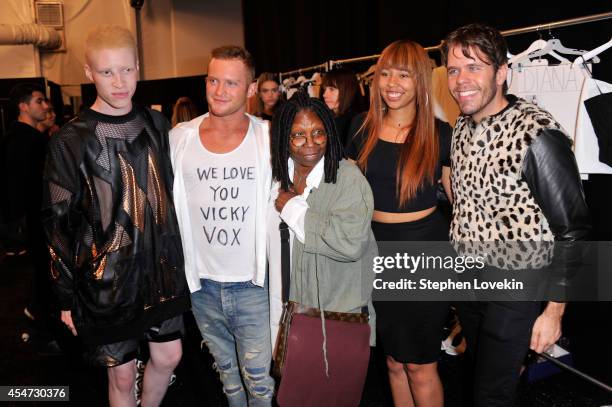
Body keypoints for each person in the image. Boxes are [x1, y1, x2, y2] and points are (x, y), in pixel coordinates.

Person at [441, 23, 590, 406]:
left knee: (490, 394)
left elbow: (573, 232)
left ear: (502, 72)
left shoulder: (537, 135)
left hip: (515, 285)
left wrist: (554, 313)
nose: (461, 80)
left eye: (474, 67)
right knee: (492, 382)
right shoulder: (460, 126)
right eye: (454, 70)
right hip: (469, 280)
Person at [42, 24, 190, 407]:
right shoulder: (69, 140)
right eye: (107, 72)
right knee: (122, 375)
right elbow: (58, 223)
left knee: (169, 356)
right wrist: (64, 296)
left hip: (161, 271)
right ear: (89, 74)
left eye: (126, 69)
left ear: (138, 67)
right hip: (106, 281)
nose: (119, 81)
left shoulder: (157, 124)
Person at [346, 40, 453, 407]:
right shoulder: (360, 127)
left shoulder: (440, 134)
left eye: (404, 74)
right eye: (386, 73)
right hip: (374, 253)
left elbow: (462, 205)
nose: (392, 82)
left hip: (425, 253)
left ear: (420, 80)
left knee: (420, 365)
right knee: (392, 361)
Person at [169, 45, 275, 406]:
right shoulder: (180, 138)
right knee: (228, 380)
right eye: (214, 80)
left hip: (254, 286)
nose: (219, 91)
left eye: (231, 83)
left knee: (259, 383)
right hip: (201, 286)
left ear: (250, 88)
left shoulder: (269, 138)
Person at [268, 91, 377, 406]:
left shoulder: (347, 179)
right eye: (298, 135)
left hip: (336, 320)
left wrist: (294, 209)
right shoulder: (279, 176)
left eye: (318, 132)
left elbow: (349, 242)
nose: (310, 143)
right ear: (284, 139)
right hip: (293, 313)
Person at [0, 83, 60, 352]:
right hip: (36, 221)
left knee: (45, 273)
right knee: (47, 273)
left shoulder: (23, 138)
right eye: (39, 101)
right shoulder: (26, 141)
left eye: (45, 101)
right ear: (23, 107)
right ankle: (45, 327)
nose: (45, 106)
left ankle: (39, 315)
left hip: (35, 221)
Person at [321, 68, 359, 146]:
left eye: (332, 89)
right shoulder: (325, 117)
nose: (324, 95)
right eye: (325, 89)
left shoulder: (356, 122)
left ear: (347, 90)